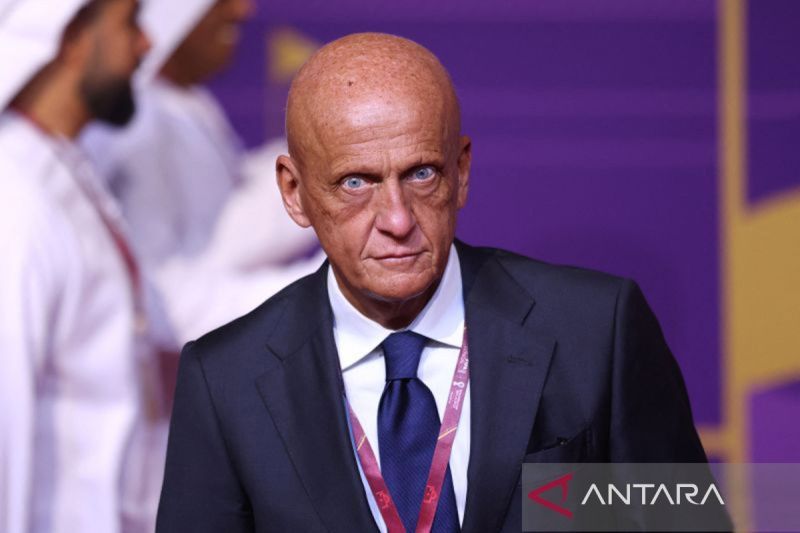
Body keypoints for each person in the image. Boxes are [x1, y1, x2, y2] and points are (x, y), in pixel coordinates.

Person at [156, 33, 714, 532]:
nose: (397, 219)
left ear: (462, 171)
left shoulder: (595, 331)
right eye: (356, 183)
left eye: (422, 173)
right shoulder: (225, 380)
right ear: (294, 193)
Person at [0, 1, 166, 531]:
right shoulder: (14, 201)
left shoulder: (61, 165)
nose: (147, 43)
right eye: (129, 22)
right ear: (69, 40)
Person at [82, 0, 322, 343]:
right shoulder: (133, 124)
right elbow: (161, 299)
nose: (242, 9)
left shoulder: (183, 102)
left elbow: (224, 217)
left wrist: (335, 164)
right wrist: (325, 291)